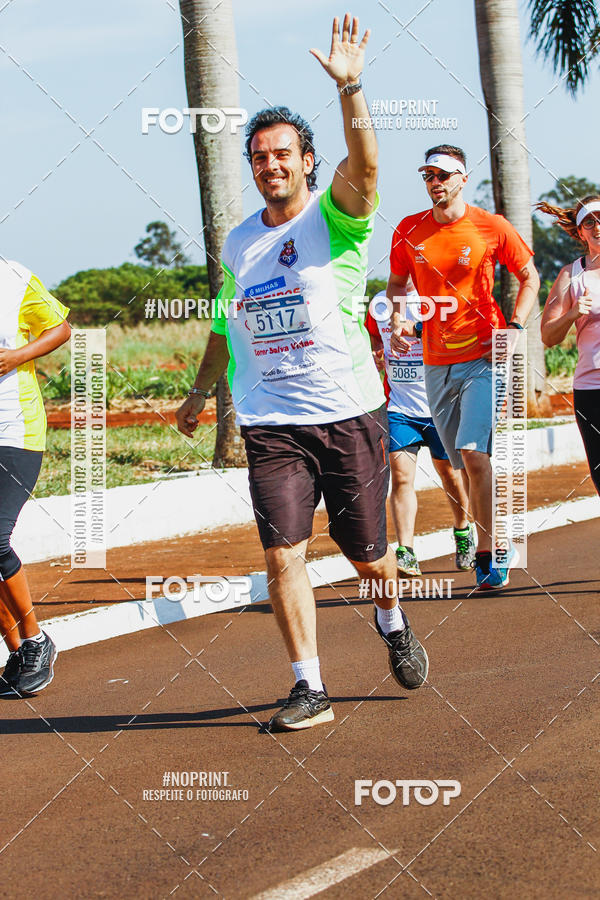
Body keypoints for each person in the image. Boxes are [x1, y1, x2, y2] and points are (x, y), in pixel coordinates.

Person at [176, 14, 428, 732]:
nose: (270, 165)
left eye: (282, 154)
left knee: (367, 559)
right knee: (283, 554)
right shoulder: (239, 242)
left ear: (309, 160)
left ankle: (388, 614)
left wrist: (351, 89)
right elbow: (226, 325)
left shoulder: (336, 217)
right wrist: (200, 391)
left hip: (348, 411)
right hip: (271, 423)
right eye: (258, 157)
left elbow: (369, 168)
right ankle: (308, 687)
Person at [388, 145, 539, 590]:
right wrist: (399, 316)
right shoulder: (408, 230)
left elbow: (529, 275)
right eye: (428, 175)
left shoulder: (490, 226)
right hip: (435, 362)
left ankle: (490, 549)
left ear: (461, 178)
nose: (435, 182)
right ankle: (487, 534)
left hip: (485, 355)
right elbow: (397, 283)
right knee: (455, 462)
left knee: (475, 454)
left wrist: (513, 328)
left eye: (442, 174)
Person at [366, 289, 475, 577]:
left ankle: (463, 530)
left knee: (449, 475)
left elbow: (456, 333)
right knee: (401, 477)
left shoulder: (438, 298)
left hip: (440, 404)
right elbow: (373, 337)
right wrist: (376, 353)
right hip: (400, 407)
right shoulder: (379, 303)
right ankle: (406, 551)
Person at [0, 259, 70, 695]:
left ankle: (37, 640)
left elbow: (60, 328)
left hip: (14, 428)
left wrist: (17, 356)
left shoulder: (13, 278)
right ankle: (18, 649)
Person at [538, 195, 600, 493]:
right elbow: (548, 336)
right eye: (589, 221)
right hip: (591, 390)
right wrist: (573, 314)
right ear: (579, 232)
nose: (597, 226)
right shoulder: (571, 275)